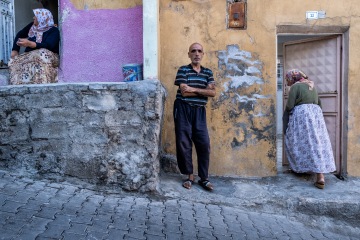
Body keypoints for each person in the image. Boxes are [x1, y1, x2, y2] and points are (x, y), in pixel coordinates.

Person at [283, 69, 336, 189]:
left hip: (302, 116)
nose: (288, 81)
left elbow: (290, 105)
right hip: (316, 116)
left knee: (297, 141)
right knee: (317, 142)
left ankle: (301, 168)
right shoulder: (312, 86)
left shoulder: (295, 87)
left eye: (288, 79)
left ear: (292, 78)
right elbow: (319, 104)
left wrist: (286, 116)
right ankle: (320, 175)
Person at [173, 42, 216, 191]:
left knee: (204, 143)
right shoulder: (183, 70)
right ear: (189, 54)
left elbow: (213, 92)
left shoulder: (208, 72)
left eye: (199, 51)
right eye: (193, 51)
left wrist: (193, 88)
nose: (197, 54)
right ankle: (189, 176)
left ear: (203, 54)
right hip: (183, 108)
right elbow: (184, 92)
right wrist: (202, 90)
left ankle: (204, 178)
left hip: (199, 110)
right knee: (184, 143)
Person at [9, 8, 60, 85]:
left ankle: (42, 85)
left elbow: (49, 45)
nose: (33, 17)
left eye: (36, 16)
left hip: (49, 55)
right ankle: (19, 87)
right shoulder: (32, 27)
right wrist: (15, 50)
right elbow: (20, 34)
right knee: (13, 61)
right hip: (31, 55)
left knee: (41, 53)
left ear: (42, 18)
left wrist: (30, 44)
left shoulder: (53, 30)